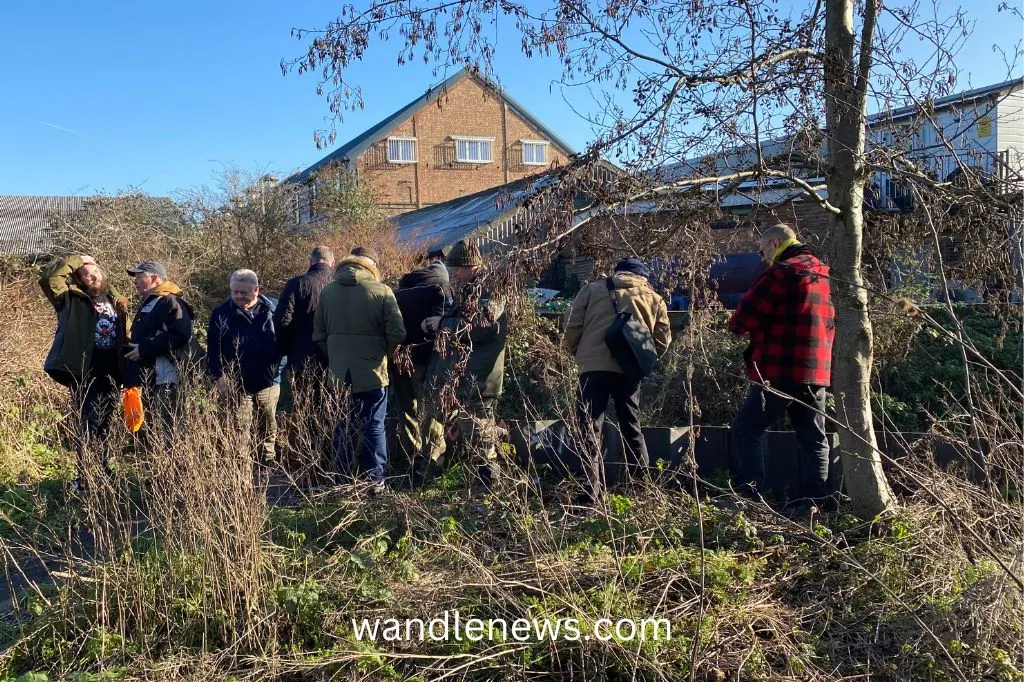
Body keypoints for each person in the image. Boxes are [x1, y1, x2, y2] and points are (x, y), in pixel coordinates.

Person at [728, 223, 836, 508]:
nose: (762, 256)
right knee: (814, 438)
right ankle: (814, 502)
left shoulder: (780, 272)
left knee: (746, 429)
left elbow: (744, 319)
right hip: (816, 372)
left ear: (775, 244)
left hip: (777, 370)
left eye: (763, 249)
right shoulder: (823, 274)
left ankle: (751, 497)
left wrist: (736, 323)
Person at [563, 257, 671, 498]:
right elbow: (662, 340)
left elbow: (571, 326)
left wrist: (580, 354)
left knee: (589, 428)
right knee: (632, 427)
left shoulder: (591, 289)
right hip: (629, 371)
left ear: (617, 272)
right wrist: (641, 360)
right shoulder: (654, 298)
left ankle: (588, 492)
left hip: (592, 368)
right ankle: (640, 489)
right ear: (643, 277)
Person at [313, 246, 406, 489]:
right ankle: (375, 480)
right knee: (374, 425)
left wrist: (336, 356)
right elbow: (398, 332)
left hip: (338, 373)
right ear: (372, 267)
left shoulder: (327, 292)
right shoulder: (382, 291)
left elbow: (319, 335)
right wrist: (384, 353)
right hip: (373, 372)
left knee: (341, 425)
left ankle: (342, 479)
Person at [39, 254, 129, 491]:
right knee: (88, 420)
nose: (91, 277)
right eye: (84, 275)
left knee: (106, 422)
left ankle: (103, 468)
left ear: (102, 272)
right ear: (78, 280)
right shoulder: (69, 298)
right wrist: (78, 259)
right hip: (84, 369)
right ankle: (85, 475)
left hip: (112, 369)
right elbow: (49, 279)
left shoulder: (116, 299)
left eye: (94, 272)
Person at [424, 240, 508, 488]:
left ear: (469, 265)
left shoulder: (490, 289)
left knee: (481, 437)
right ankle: (482, 486)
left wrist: (442, 324)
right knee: (473, 435)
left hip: (481, 378)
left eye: (456, 269)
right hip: (468, 376)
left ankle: (490, 487)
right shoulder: (472, 290)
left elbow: (482, 326)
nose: (453, 274)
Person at [207, 269, 284, 464]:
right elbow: (213, 350)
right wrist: (219, 376)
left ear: (257, 290)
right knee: (240, 425)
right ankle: (242, 463)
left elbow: (286, 342)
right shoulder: (221, 314)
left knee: (268, 423)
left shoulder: (274, 309)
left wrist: (280, 368)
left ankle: (267, 460)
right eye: (235, 292)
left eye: (244, 292)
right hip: (237, 381)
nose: (239, 297)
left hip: (269, 379)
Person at [393, 250, 451, 484]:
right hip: (427, 361)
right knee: (432, 412)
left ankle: (410, 461)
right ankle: (432, 464)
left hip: (399, 360)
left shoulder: (399, 291)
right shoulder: (441, 289)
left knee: (406, 412)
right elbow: (442, 328)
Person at [274, 246, 336, 465]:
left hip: (302, 358)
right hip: (335, 359)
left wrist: (284, 349)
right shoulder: (340, 285)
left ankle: (309, 460)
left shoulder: (297, 284)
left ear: (311, 261)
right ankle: (333, 459)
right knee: (333, 410)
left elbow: (282, 321)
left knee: (306, 409)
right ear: (332, 262)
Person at [122, 261, 194, 445]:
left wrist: (144, 349)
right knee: (155, 427)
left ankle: (175, 470)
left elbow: (181, 334)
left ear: (154, 278)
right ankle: (161, 468)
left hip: (167, 377)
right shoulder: (151, 302)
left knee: (170, 426)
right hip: (150, 377)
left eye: (139, 277)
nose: (135, 281)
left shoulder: (170, 301)